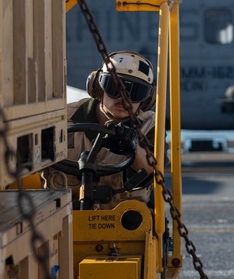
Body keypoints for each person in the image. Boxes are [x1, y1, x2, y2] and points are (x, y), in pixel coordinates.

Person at [43, 51, 158, 209]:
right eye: (115, 87)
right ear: (98, 87)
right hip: (61, 217)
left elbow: (153, 168)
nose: (123, 99)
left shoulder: (148, 125)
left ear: (146, 100)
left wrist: (132, 148)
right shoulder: (60, 118)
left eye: (135, 92)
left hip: (123, 223)